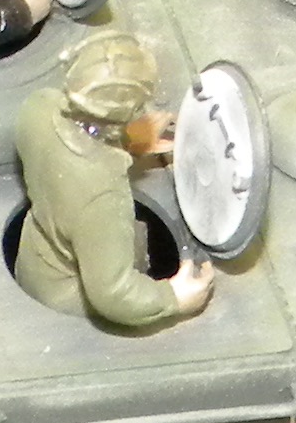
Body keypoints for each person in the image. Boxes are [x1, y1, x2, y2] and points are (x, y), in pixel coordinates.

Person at [13, 34, 211, 331]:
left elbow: (65, 149)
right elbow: (113, 292)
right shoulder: (103, 196)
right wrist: (172, 298)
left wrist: (123, 138)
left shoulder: (39, 105)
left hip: (35, 259)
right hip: (69, 297)